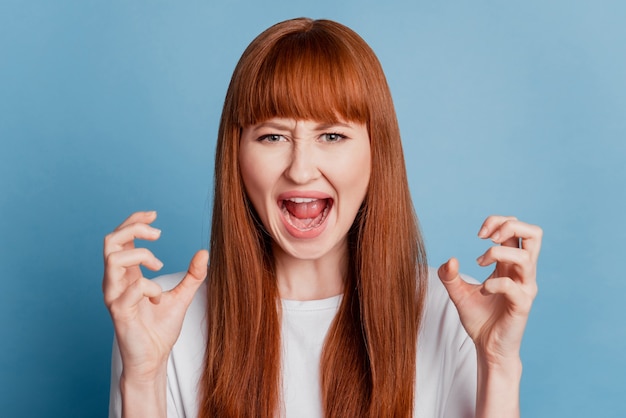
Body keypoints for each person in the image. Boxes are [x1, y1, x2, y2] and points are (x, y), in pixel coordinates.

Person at [104, 18, 542, 418]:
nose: (300, 168)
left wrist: (499, 364)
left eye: (332, 135)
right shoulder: (160, 316)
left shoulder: (448, 313)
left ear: (377, 154)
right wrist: (142, 377)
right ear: (235, 157)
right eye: (272, 136)